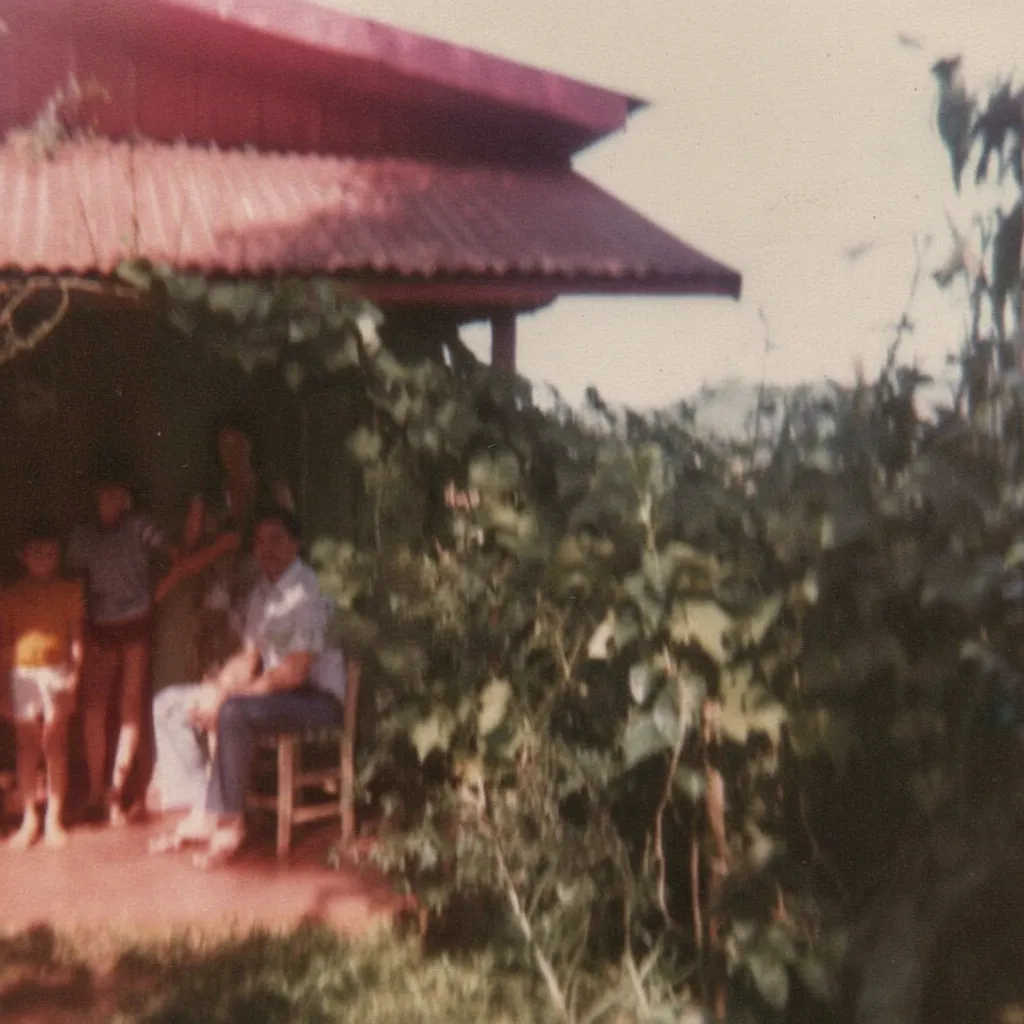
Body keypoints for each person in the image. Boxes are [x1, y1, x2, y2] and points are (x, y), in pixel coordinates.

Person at [149, 506, 345, 867]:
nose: (265, 549)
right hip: (276, 694)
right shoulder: (262, 593)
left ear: (295, 544)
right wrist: (219, 684)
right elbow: (249, 656)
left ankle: (229, 823)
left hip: (316, 700)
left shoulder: (307, 591)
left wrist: (228, 696)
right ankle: (200, 809)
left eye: (276, 540)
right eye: (259, 541)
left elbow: (296, 670)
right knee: (170, 703)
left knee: (233, 712)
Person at [154, 414, 295, 685]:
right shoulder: (209, 494)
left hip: (260, 585)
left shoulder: (272, 491)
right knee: (213, 663)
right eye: (225, 446)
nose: (232, 452)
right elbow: (190, 547)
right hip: (216, 590)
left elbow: (291, 543)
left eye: (238, 444)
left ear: (251, 445)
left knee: (259, 659)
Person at [68, 462, 171, 825]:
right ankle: (96, 788)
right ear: (95, 495)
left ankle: (116, 789)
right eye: (105, 492)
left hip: (137, 623)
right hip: (100, 627)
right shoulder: (83, 536)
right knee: (94, 708)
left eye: (118, 492)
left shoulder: (140, 527)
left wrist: (157, 591)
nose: (111, 499)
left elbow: (171, 553)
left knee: (130, 707)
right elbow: (77, 581)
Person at [0, 519, 84, 848]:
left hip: (57, 673)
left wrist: (73, 679)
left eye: (50, 554)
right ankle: (29, 818)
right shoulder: (8, 595)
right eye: (37, 554)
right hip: (22, 674)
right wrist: (3, 690)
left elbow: (78, 640)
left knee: (55, 745)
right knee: (26, 745)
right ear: (23, 556)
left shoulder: (69, 590)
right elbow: (3, 644)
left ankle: (54, 818)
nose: (44, 560)